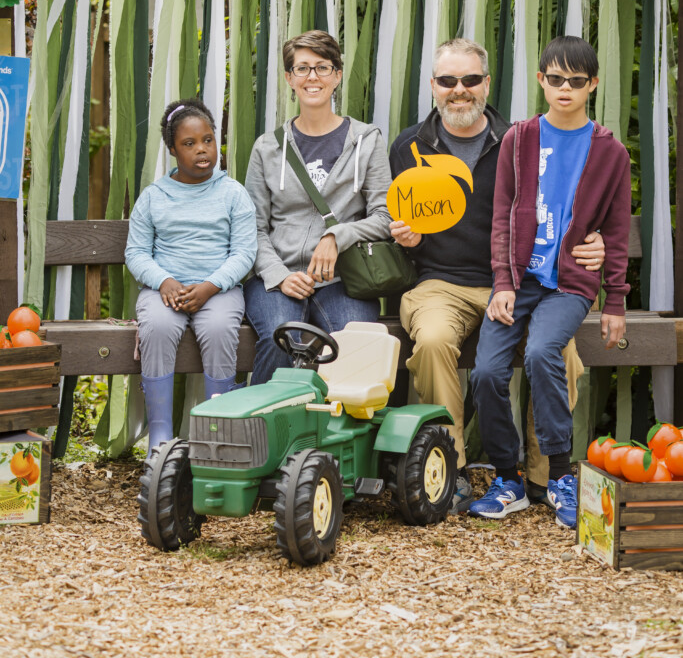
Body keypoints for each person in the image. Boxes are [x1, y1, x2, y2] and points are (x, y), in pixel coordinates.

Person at [389, 38, 604, 513]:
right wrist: (408, 238)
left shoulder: (521, 140)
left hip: (517, 280)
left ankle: (547, 477)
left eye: (469, 80)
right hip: (440, 283)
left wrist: (598, 240)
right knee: (432, 341)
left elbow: (561, 208)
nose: (458, 90)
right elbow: (412, 221)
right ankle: (451, 470)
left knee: (560, 351)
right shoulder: (408, 146)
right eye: (448, 81)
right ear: (433, 87)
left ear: (486, 84)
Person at [470, 36, 631, 530]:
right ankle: (507, 478)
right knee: (487, 373)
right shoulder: (518, 139)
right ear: (541, 80)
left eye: (576, 82)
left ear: (592, 85)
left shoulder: (609, 151)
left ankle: (560, 475)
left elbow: (619, 229)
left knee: (542, 353)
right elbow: (502, 215)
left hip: (569, 285)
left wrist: (616, 301)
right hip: (517, 283)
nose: (565, 89)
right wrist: (502, 282)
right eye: (555, 79)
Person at [244, 30, 392, 384]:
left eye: (322, 67)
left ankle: (343, 435)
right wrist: (279, 275)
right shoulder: (267, 148)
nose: (313, 77)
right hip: (279, 276)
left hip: (345, 278)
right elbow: (253, 227)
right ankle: (262, 431)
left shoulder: (367, 140)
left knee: (354, 344)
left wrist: (337, 235)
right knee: (282, 339)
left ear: (337, 75)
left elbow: (385, 217)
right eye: (303, 68)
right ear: (289, 78)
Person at [125, 99, 257, 455]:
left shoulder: (233, 193)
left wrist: (211, 286)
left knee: (218, 330)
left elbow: (244, 252)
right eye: (189, 143)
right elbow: (136, 252)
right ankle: (160, 437)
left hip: (218, 290)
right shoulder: (154, 197)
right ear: (172, 149)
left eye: (208, 140)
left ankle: (217, 433)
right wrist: (163, 281)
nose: (202, 150)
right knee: (157, 327)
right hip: (164, 290)